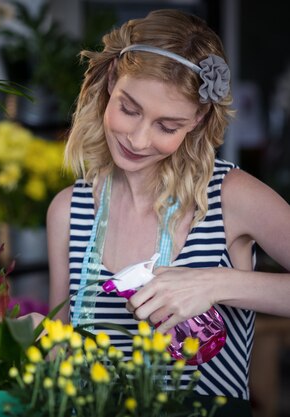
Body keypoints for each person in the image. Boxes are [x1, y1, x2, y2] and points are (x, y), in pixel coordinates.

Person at [46, 8, 290, 412]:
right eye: (129, 108)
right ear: (110, 83)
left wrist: (216, 285)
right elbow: (59, 355)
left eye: (167, 125)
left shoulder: (231, 197)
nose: (139, 139)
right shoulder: (68, 212)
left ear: (197, 120)